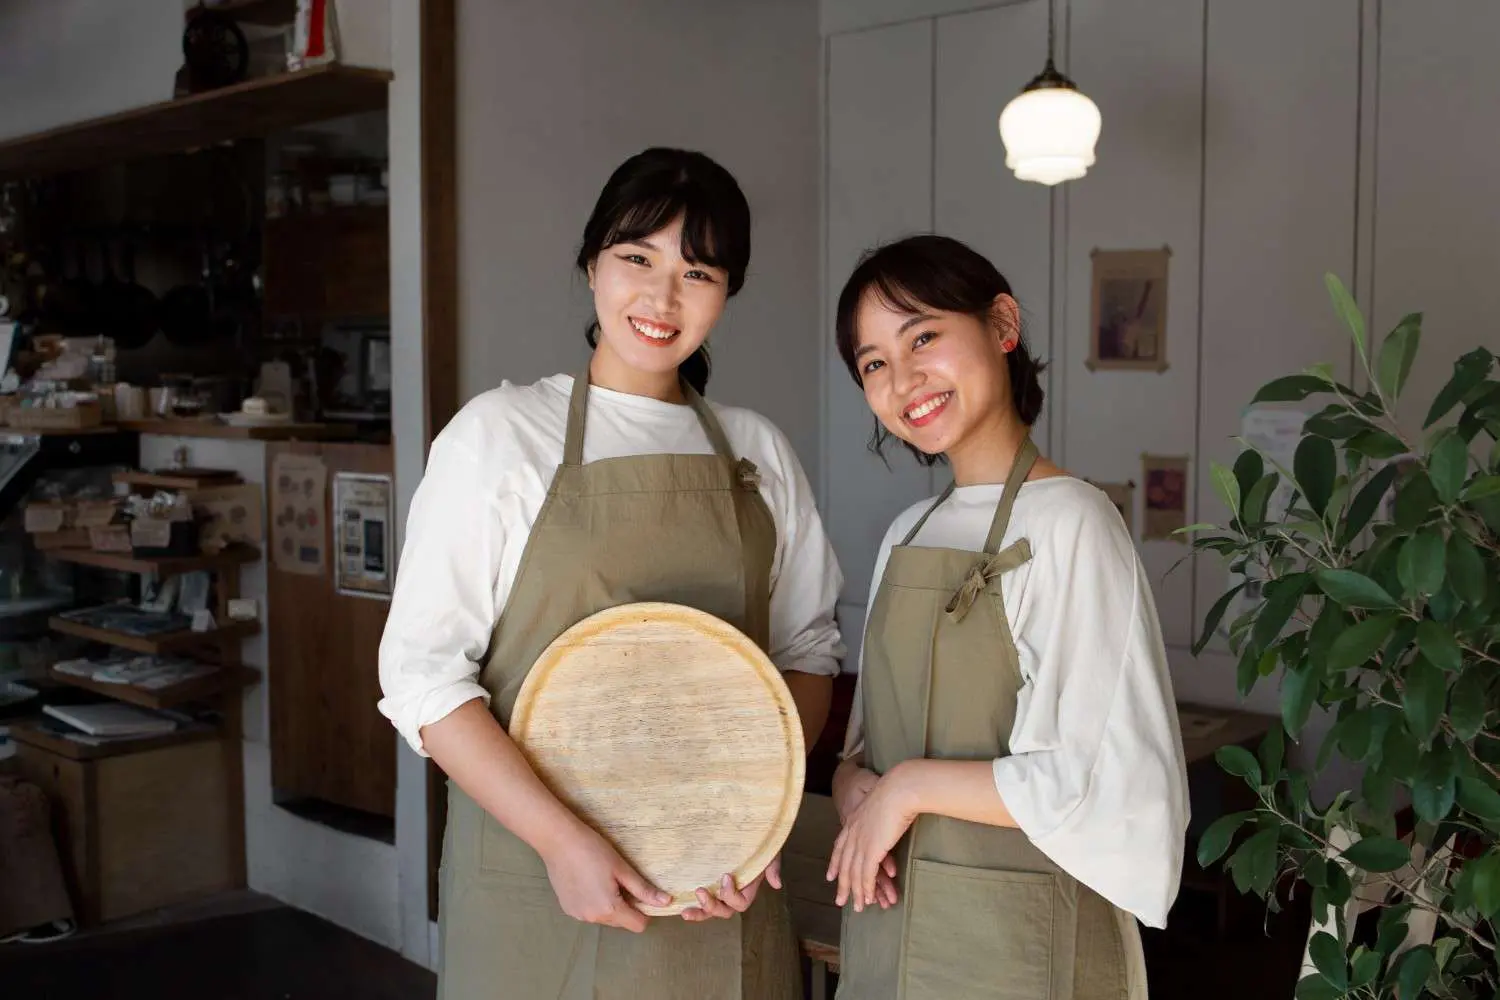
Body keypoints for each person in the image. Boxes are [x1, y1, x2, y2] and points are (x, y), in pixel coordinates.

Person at [377, 147, 844, 999]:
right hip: (535, 880)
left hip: (719, 892)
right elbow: (424, 680)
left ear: (727, 293)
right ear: (592, 264)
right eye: (638, 258)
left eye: (698, 273)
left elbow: (807, 654)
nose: (663, 298)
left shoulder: (757, 450)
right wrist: (563, 843)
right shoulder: (499, 435)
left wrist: (750, 815)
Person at [825, 234, 1189, 999]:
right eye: (874, 364)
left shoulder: (1074, 522)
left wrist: (907, 789)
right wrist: (856, 783)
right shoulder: (908, 533)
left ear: (1002, 324)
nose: (904, 379)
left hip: (1022, 942)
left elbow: (1092, 779)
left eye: (923, 337)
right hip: (892, 928)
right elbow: (865, 744)